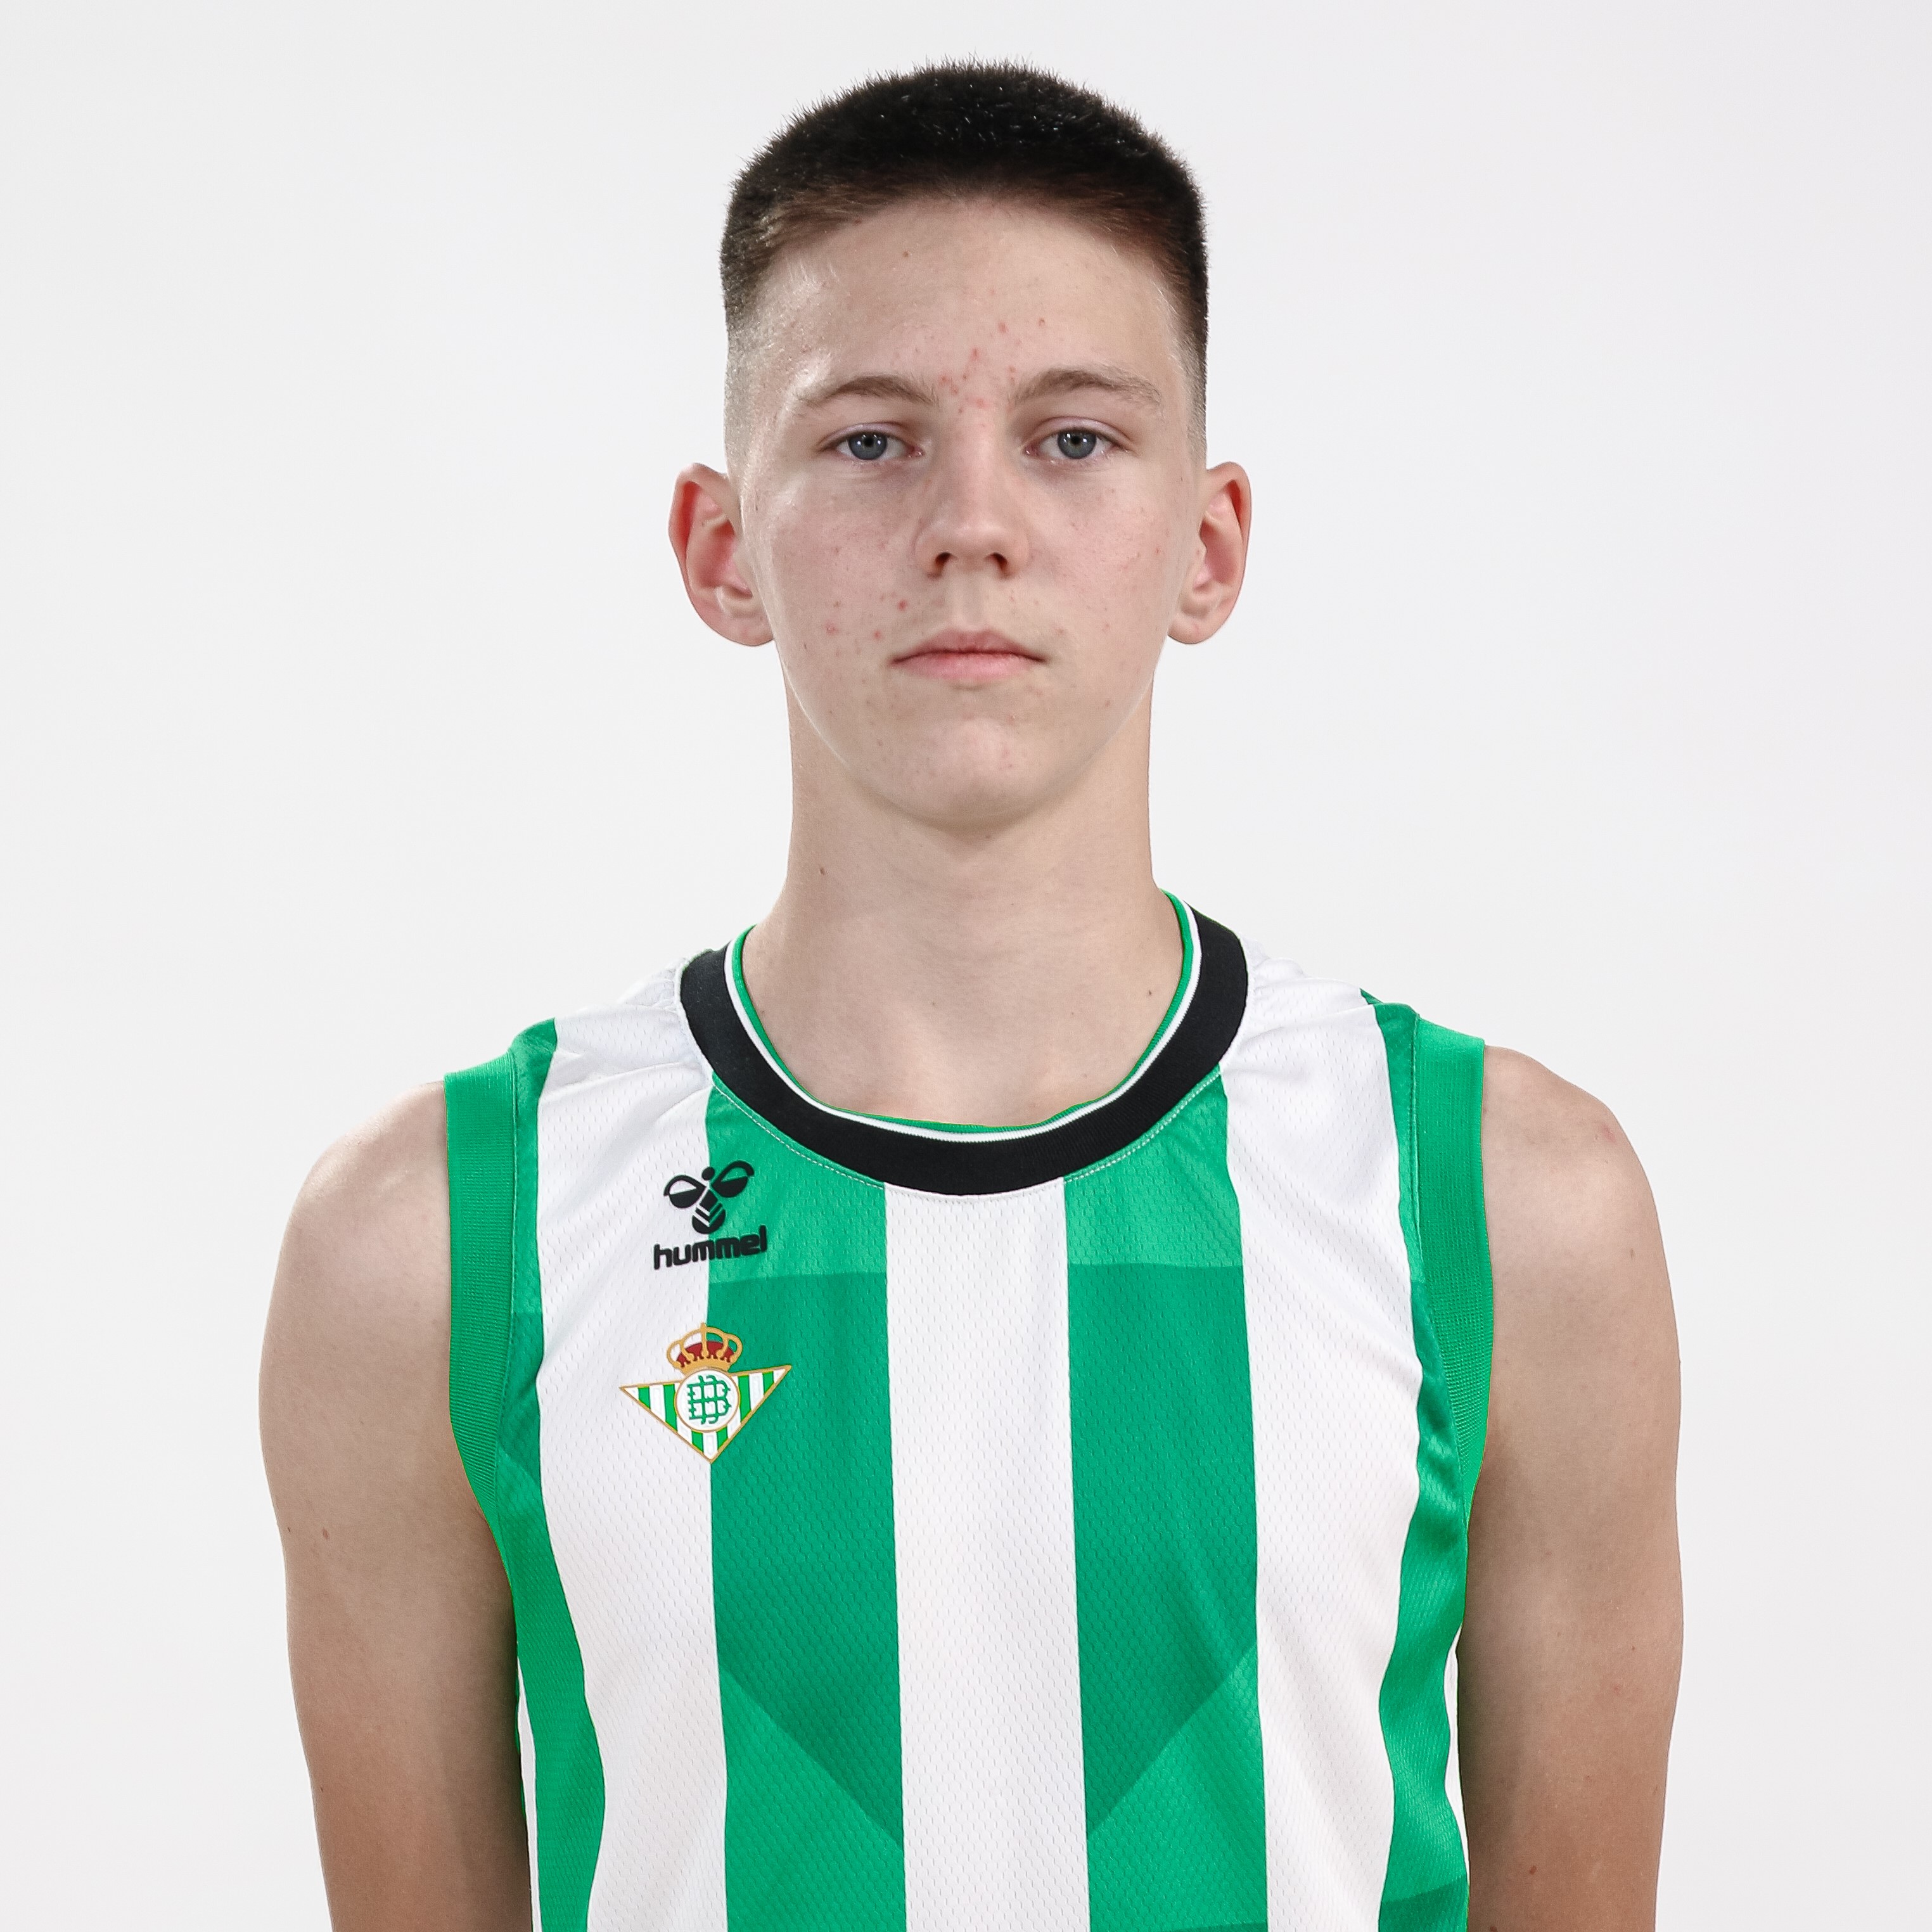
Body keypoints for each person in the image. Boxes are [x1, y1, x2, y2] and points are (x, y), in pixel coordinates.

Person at [261, 62, 1681, 1932]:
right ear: (719, 548)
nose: (973, 525)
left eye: (1073, 438)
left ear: (1207, 544)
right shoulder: (438, 1238)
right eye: (872, 441)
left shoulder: (1500, 1204)